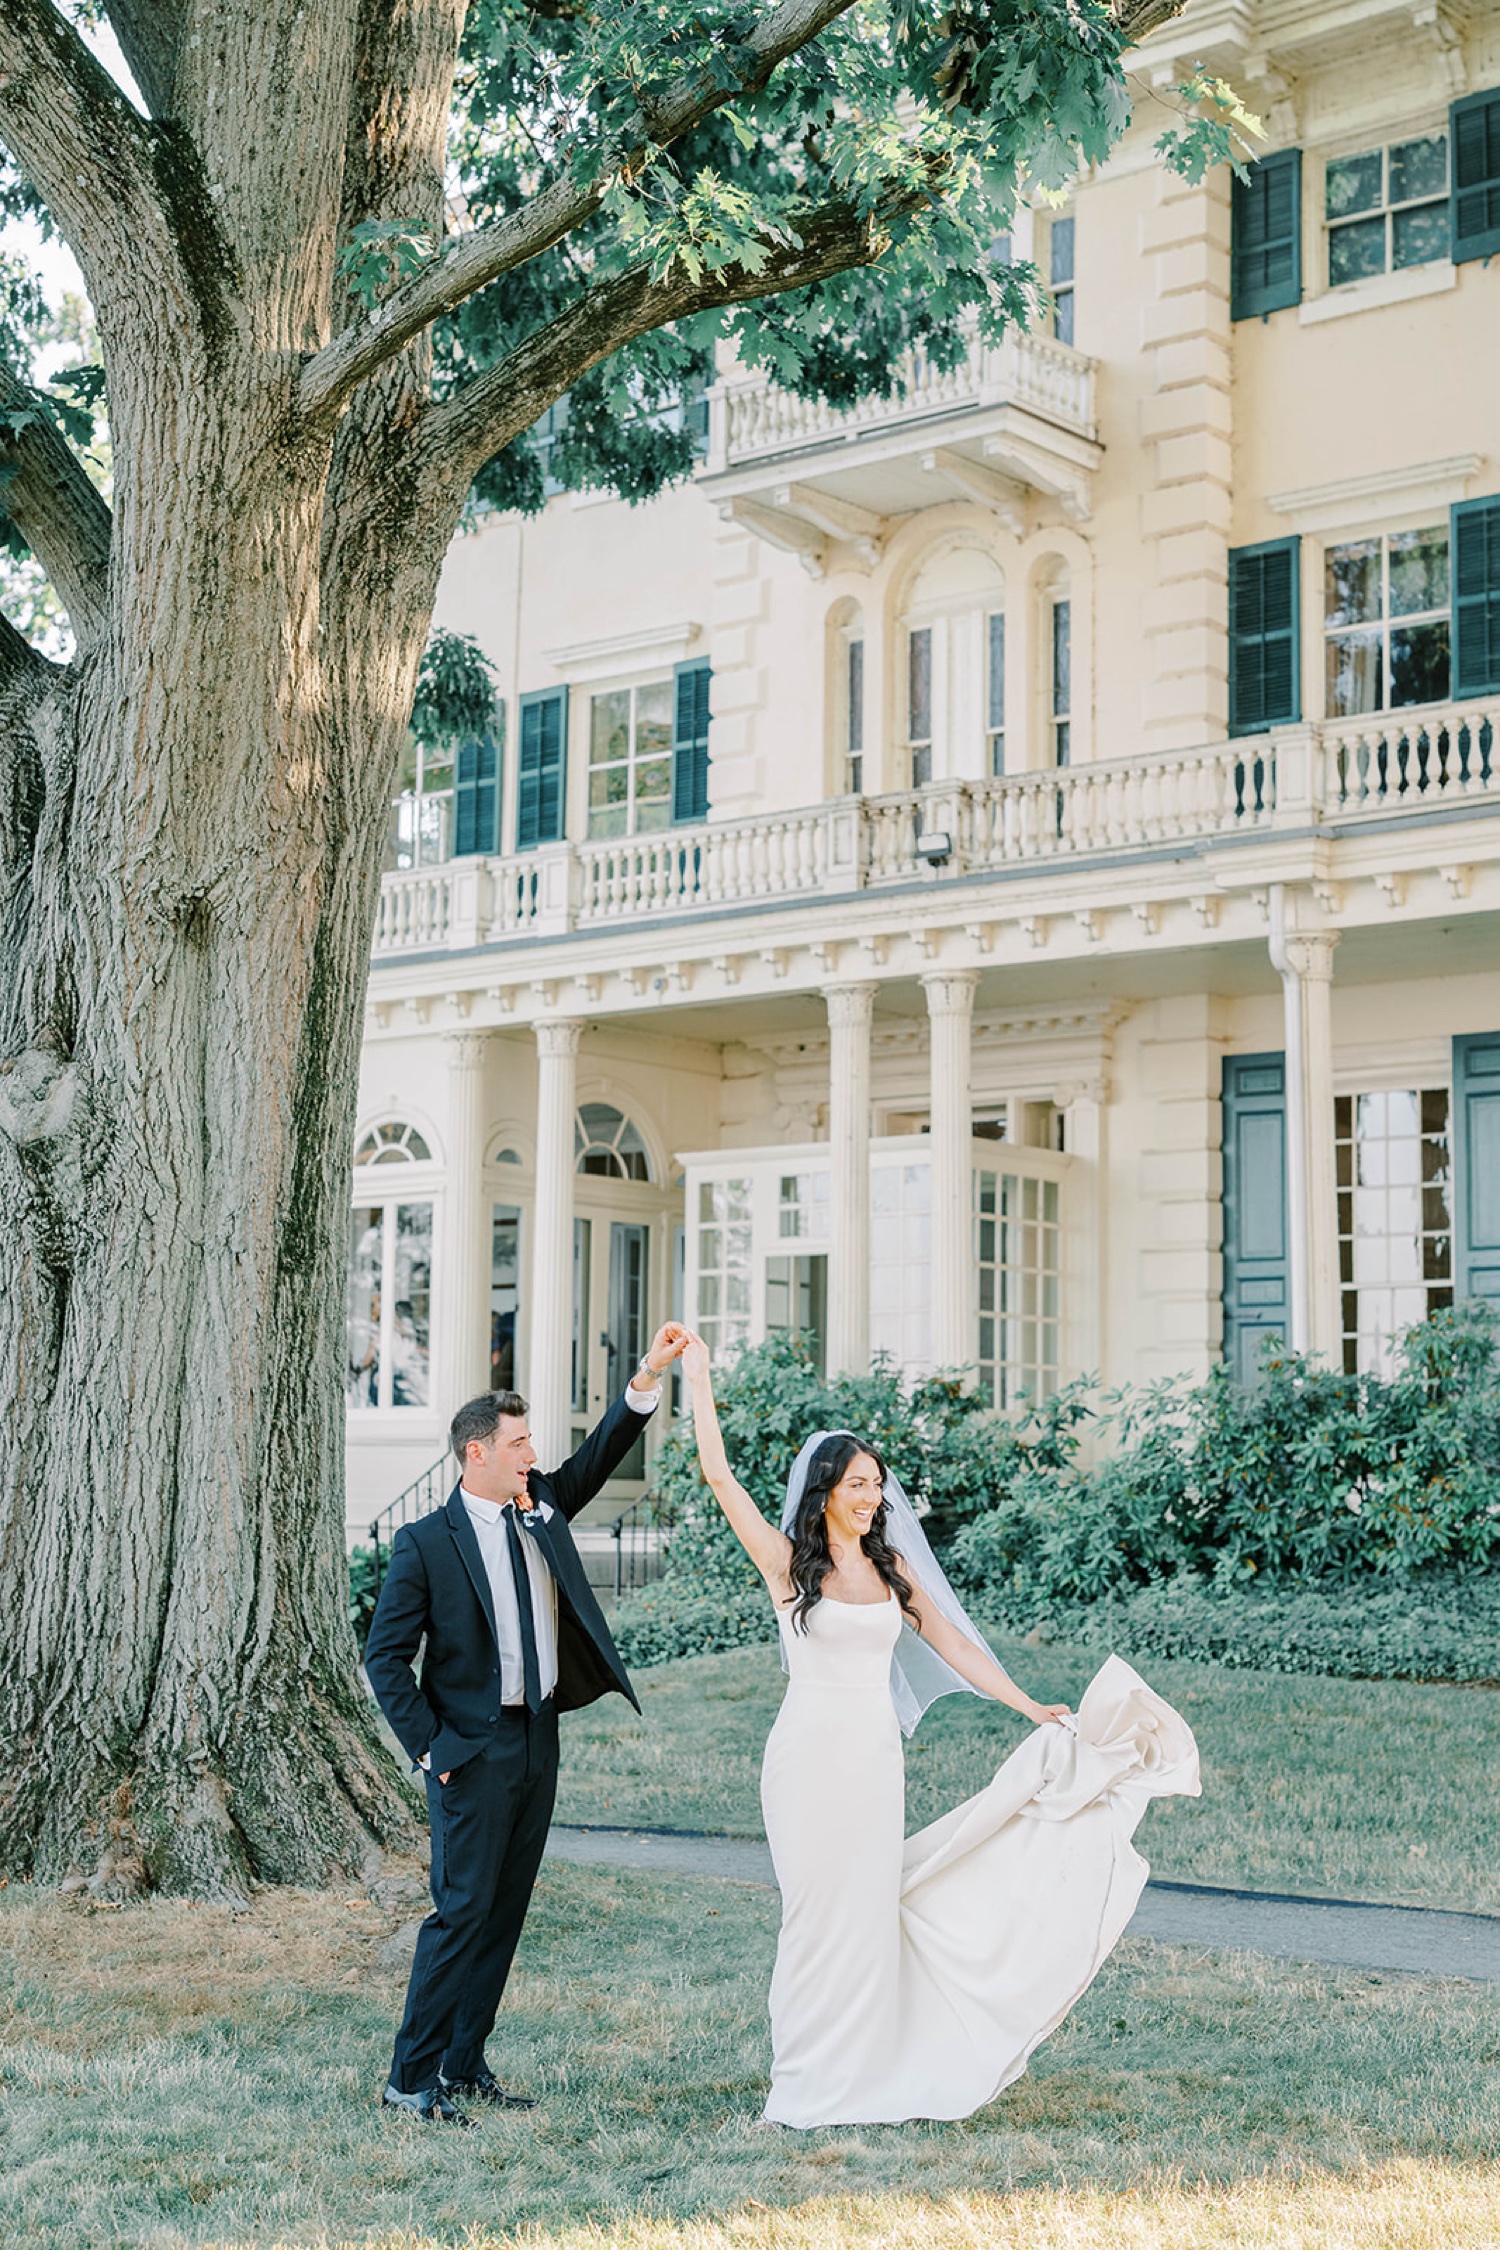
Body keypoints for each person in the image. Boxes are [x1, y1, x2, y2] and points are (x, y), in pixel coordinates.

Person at [678, 1331, 1201, 2130]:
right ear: (824, 1489)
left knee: (865, 1910)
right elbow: (718, 1475)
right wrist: (700, 1374)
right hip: (806, 1760)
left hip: (873, 1759)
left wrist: (1028, 1706)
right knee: (814, 1912)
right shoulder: (789, 1566)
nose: (869, 1497)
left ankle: (860, 2071)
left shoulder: (891, 1571)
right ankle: (802, 2083)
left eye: (877, 1486)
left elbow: (953, 1644)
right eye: (857, 1483)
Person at [365, 1323, 689, 2126]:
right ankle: (409, 2081)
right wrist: (432, 1749)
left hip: (538, 1739)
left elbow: (599, 1456)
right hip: (469, 1753)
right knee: (461, 1912)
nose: (531, 1453)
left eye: (530, 1441)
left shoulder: (540, 1506)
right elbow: (384, 1659)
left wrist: (646, 1376)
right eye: (518, 1442)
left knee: (504, 1913)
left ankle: (464, 2064)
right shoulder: (424, 1544)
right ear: (477, 1452)